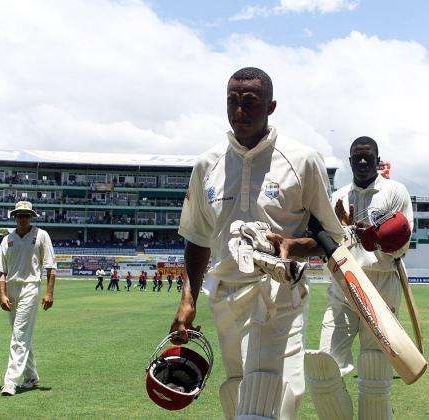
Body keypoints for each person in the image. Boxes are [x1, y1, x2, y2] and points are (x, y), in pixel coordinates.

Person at [170, 67, 343, 419]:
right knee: (240, 392)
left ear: (271, 106)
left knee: (261, 394)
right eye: (232, 102)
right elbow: (198, 239)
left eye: (250, 103)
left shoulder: (302, 160)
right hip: (225, 297)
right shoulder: (208, 164)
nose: (239, 112)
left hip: (278, 293)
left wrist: (293, 246)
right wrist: (188, 299)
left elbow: (332, 237)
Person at [305, 137, 412, 420]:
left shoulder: (395, 191)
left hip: (381, 283)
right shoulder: (337, 197)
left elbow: (402, 243)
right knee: (324, 365)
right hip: (343, 284)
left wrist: (374, 237)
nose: (362, 162)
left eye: (368, 157)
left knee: (375, 371)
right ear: (350, 161)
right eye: (357, 157)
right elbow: (325, 240)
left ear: (377, 159)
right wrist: (343, 229)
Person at [0, 201, 56, 396]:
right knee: (21, 334)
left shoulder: (41, 235)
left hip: (30, 287)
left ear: (31, 216)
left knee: (19, 335)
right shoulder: (7, 239)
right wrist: (2, 294)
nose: (22, 218)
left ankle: (10, 382)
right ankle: (31, 377)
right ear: (14, 216)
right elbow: (1, 272)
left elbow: (50, 268)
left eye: (26, 215)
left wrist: (49, 293)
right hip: (11, 289)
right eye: (19, 215)